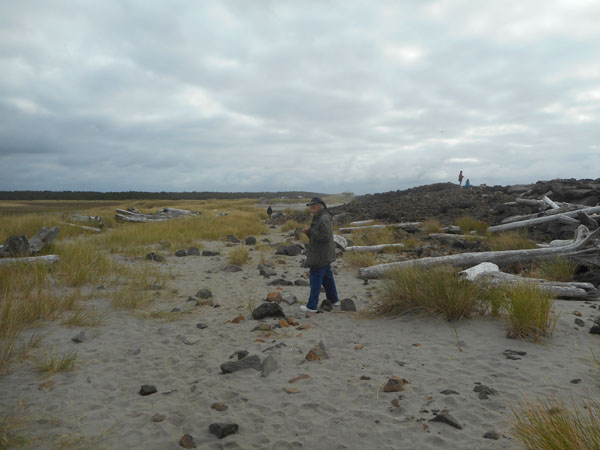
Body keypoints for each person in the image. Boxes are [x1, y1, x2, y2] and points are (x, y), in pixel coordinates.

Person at [301, 197, 339, 312]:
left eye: (314, 205)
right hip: (323, 254)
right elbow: (317, 237)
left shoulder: (323, 218)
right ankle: (334, 300)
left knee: (315, 279)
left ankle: (311, 306)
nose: (311, 208)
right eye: (310, 206)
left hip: (320, 255)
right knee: (327, 278)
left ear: (320, 206)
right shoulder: (319, 217)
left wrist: (311, 230)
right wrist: (308, 232)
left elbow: (325, 237)